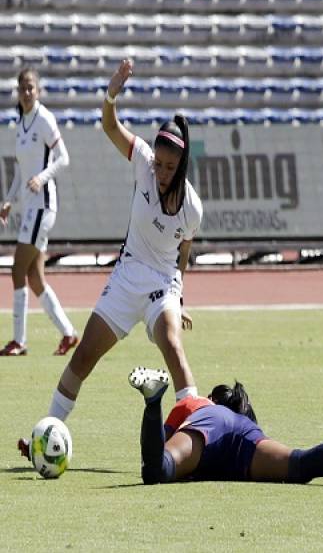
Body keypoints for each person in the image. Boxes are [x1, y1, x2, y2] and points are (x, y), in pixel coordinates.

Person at [17, 58, 202, 457]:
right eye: (160, 163)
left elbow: (184, 249)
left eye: (171, 167)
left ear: (182, 165)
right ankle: (46, 434)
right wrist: (111, 93)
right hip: (127, 274)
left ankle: (203, 436)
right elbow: (109, 126)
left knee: (172, 343)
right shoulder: (143, 163)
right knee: (84, 355)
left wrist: (179, 294)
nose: (162, 171)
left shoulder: (192, 206)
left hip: (160, 284)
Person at [129, 366, 323, 485]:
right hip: (244, 440)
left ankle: (153, 399)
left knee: (156, 471)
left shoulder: (199, 405)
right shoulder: (242, 421)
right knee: (300, 464)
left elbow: (157, 449)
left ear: (214, 399)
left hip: (209, 429)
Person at [0, 67, 78, 356]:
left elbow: (63, 158)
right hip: (31, 207)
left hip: (43, 206)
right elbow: (21, 172)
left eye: (31, 87)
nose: (27, 92)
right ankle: (69, 333)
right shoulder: (20, 124)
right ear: (18, 92)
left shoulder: (44, 118)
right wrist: (8, 200)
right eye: (23, 88)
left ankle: (19, 341)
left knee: (16, 269)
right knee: (34, 278)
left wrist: (43, 178)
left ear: (39, 90)